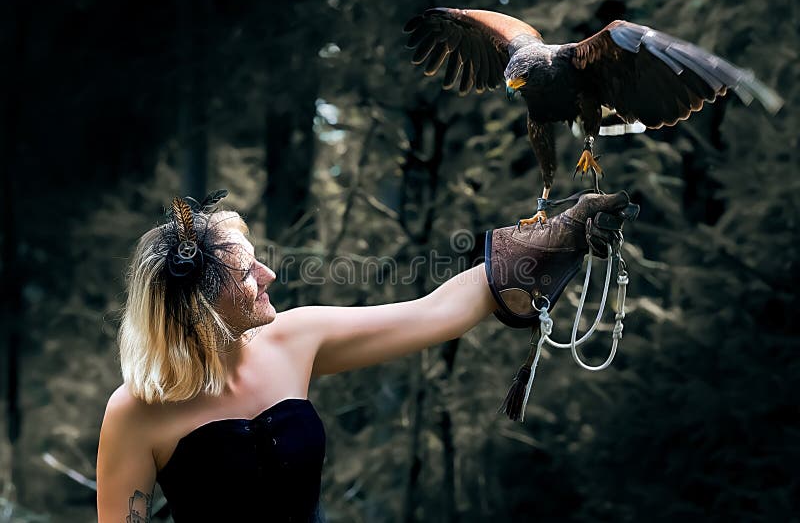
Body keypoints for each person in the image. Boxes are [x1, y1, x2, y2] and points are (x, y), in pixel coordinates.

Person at [96, 190, 629, 522]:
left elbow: (435, 314)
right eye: (246, 275)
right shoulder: (137, 410)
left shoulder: (295, 338)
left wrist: (559, 236)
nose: (270, 278)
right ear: (202, 309)